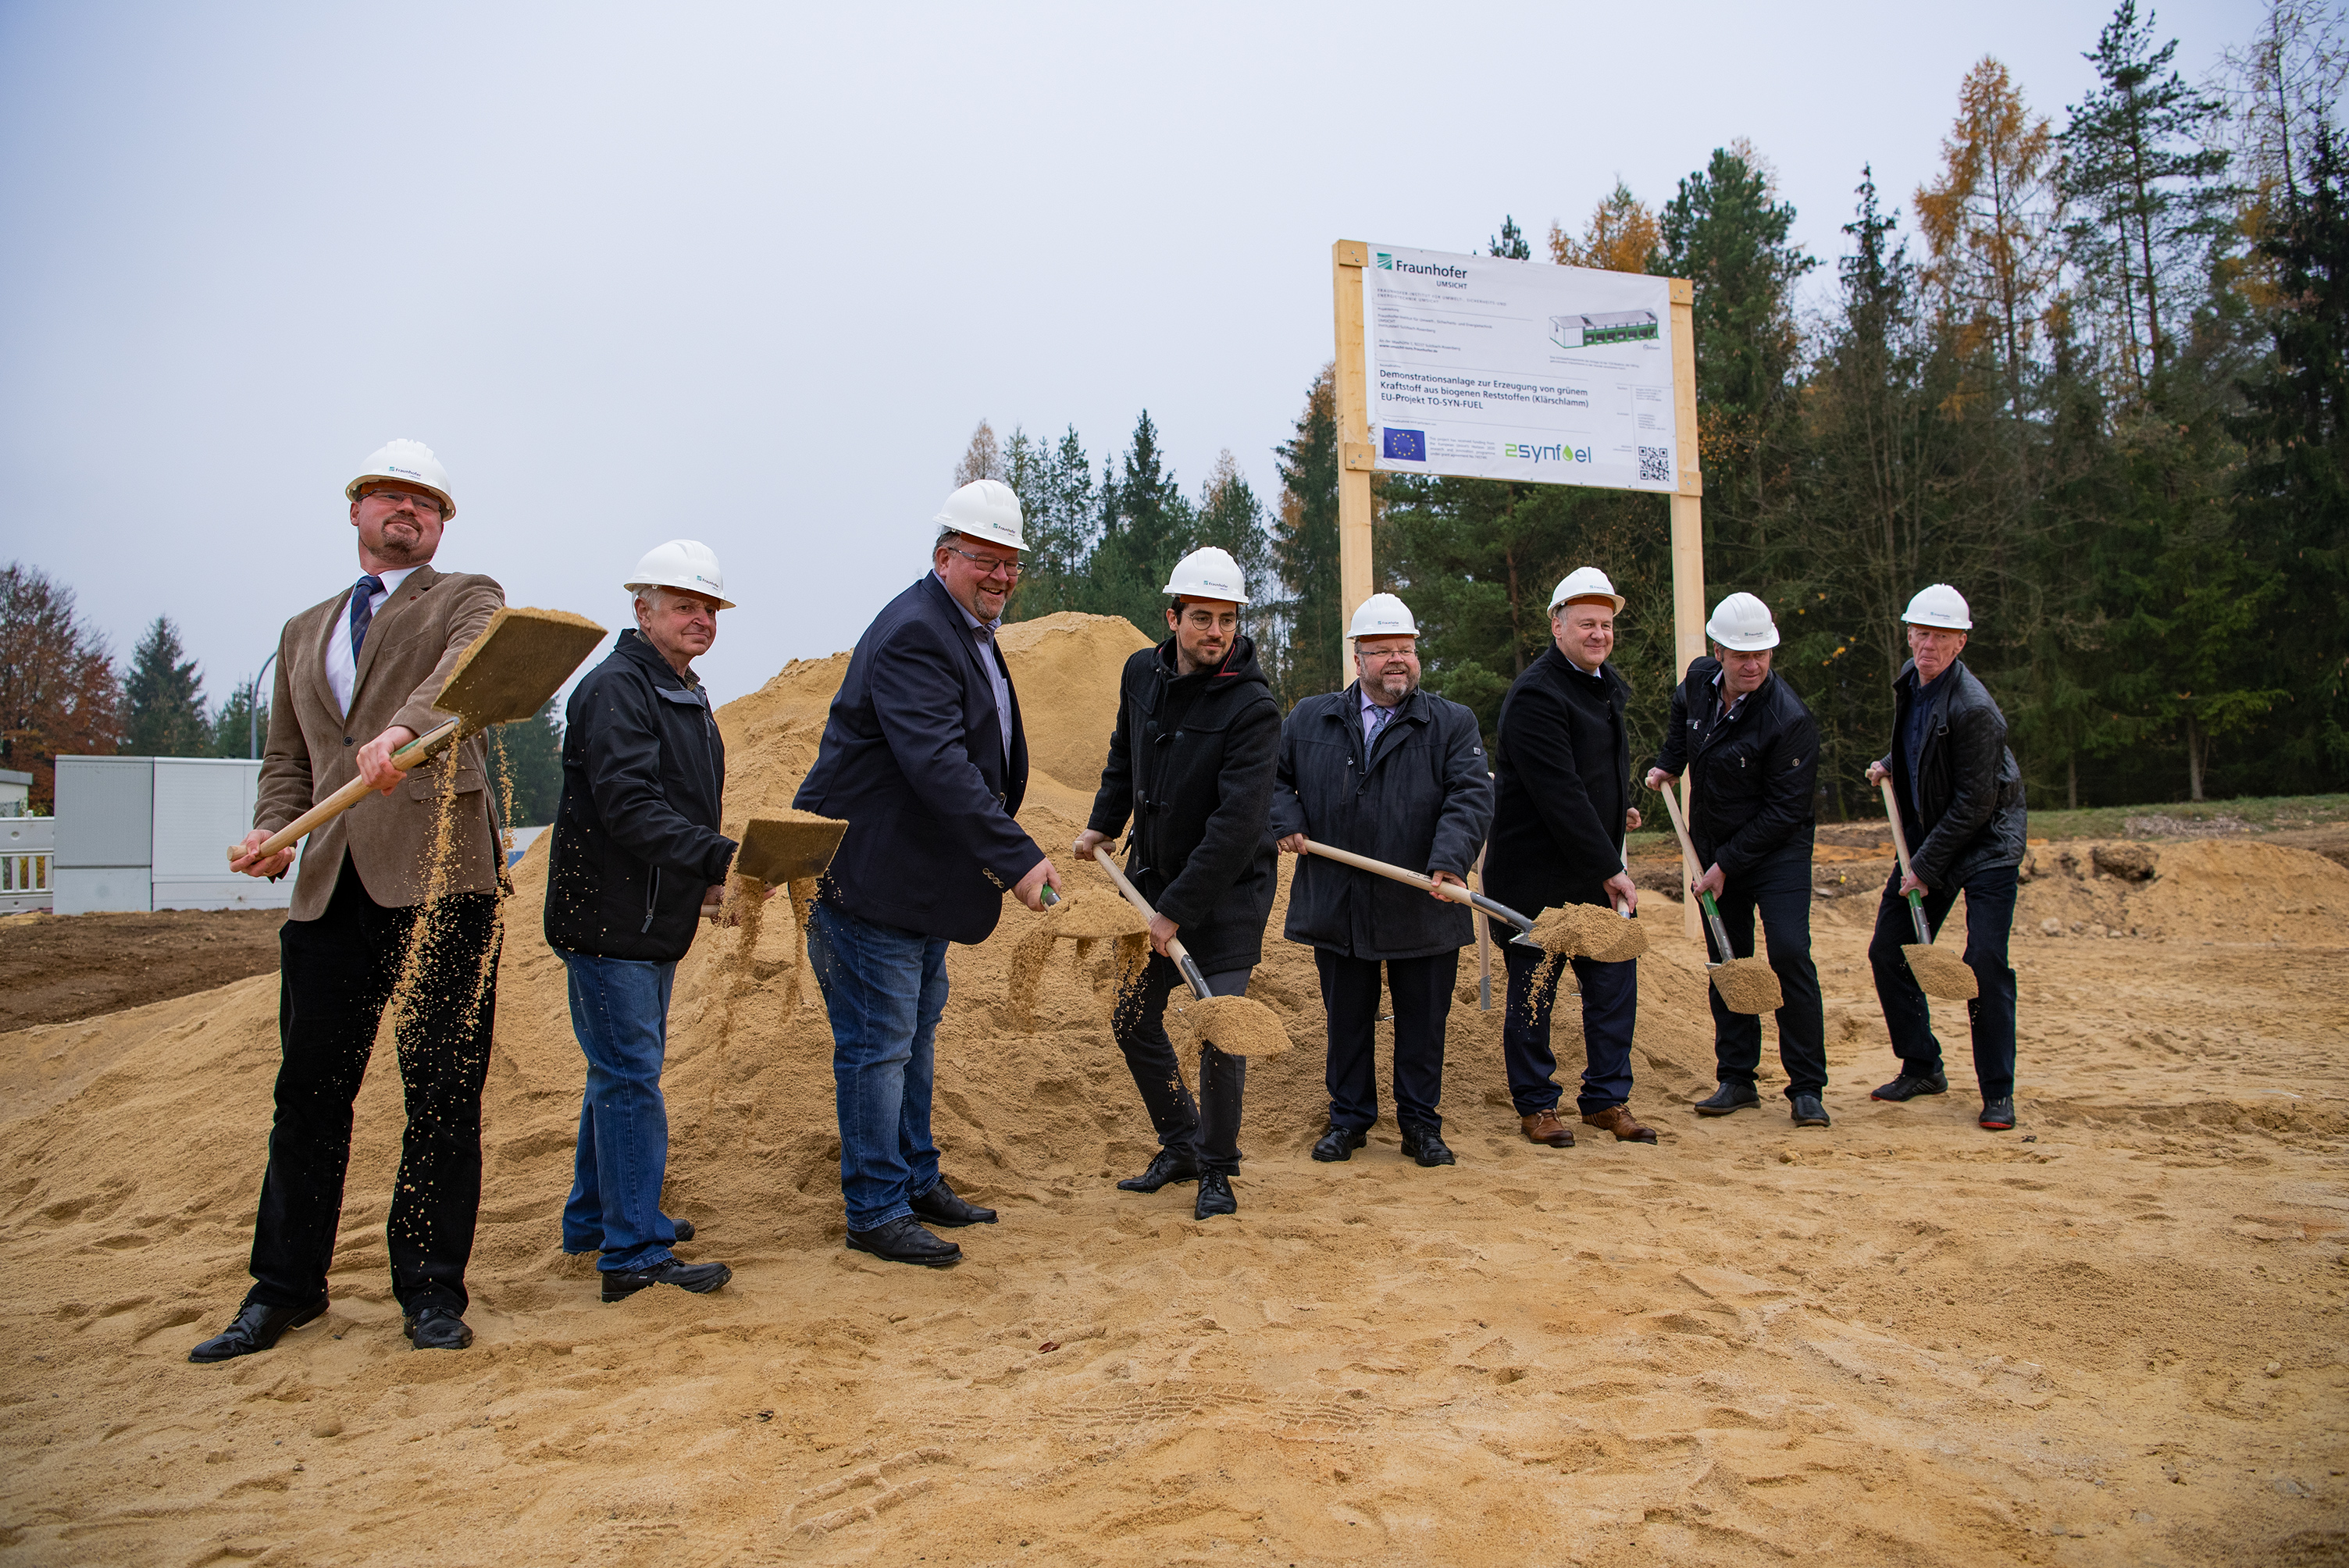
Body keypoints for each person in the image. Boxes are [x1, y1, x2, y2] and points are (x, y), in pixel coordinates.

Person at [196, 440, 504, 1361]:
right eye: (389, 495)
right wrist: (274, 832)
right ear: (357, 510)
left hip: (440, 880)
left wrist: (405, 727)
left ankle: (428, 1289)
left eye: (426, 501)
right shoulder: (303, 630)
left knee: (442, 1095)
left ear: (442, 523)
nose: (406, 510)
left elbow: (464, 677)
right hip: (329, 887)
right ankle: (284, 1288)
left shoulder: (467, 597)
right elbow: (290, 759)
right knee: (309, 1096)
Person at [793, 480, 1060, 1267]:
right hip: (868, 877)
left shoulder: (962, 626)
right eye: (985, 559)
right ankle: (874, 1209)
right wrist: (1014, 856)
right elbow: (937, 762)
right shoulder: (916, 630)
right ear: (944, 557)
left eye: (1011, 563)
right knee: (878, 1046)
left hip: (914, 880)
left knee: (910, 1036)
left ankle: (913, 1178)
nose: (1002, 576)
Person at [544, 542, 745, 1303]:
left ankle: (596, 1217)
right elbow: (631, 808)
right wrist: (722, 858)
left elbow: (684, 803)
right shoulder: (614, 690)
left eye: (708, 608)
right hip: (607, 922)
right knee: (631, 1079)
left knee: (617, 1076)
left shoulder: (680, 690)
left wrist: (698, 881)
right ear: (642, 610)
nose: (700, 619)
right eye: (683, 605)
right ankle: (631, 1253)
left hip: (650, 918)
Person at [1072, 547, 1280, 1220]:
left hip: (1225, 897)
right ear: (1173, 618)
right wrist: (1103, 824)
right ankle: (1182, 1142)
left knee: (1220, 1031)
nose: (1215, 632)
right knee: (1132, 1019)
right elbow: (1123, 750)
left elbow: (1237, 825)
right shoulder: (1142, 674)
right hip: (1150, 883)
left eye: (1226, 619)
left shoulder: (1253, 707)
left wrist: (1176, 914)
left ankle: (1218, 1168)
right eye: (1201, 618)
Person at [1272, 593, 1493, 1167]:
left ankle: (1421, 1126)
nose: (1398, 660)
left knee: (1423, 1027)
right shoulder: (1309, 718)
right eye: (1383, 650)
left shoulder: (1450, 722)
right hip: (1339, 902)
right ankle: (1349, 1121)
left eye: (1407, 649)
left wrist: (1450, 859)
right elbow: (1272, 779)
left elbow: (1471, 797)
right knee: (1347, 1022)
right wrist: (1288, 820)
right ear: (1358, 657)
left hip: (1422, 899)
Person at [1483, 567, 1654, 1147]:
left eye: (1606, 624)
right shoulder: (1537, 694)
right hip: (1536, 879)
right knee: (1535, 995)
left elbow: (1598, 770)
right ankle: (1536, 1106)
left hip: (1591, 871)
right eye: (1586, 623)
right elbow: (1558, 791)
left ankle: (1606, 1099)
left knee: (1613, 989)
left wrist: (1621, 810)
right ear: (1557, 626)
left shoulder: (1605, 685)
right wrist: (1611, 865)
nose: (1599, 634)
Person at [1645, 593, 1829, 1128]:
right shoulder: (1701, 682)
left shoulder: (1789, 719)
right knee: (1728, 958)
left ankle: (1806, 1087)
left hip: (1778, 851)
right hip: (1713, 842)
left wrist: (1725, 866)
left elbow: (1784, 811)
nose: (1753, 666)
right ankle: (1737, 1078)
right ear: (1719, 653)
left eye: (1763, 657)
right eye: (1742, 656)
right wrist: (1668, 764)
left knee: (1791, 954)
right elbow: (1683, 712)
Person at [1865, 584, 2026, 1131]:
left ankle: (1997, 1092)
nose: (1927, 645)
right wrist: (1891, 762)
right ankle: (1922, 1065)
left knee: (1984, 962)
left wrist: (1923, 869)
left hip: (1986, 844)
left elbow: (1975, 802)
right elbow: (1925, 745)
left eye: (1940, 636)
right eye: (1920, 633)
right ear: (1909, 633)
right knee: (1890, 951)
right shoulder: (1913, 680)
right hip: (1932, 836)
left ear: (1960, 643)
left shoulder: (1977, 709)